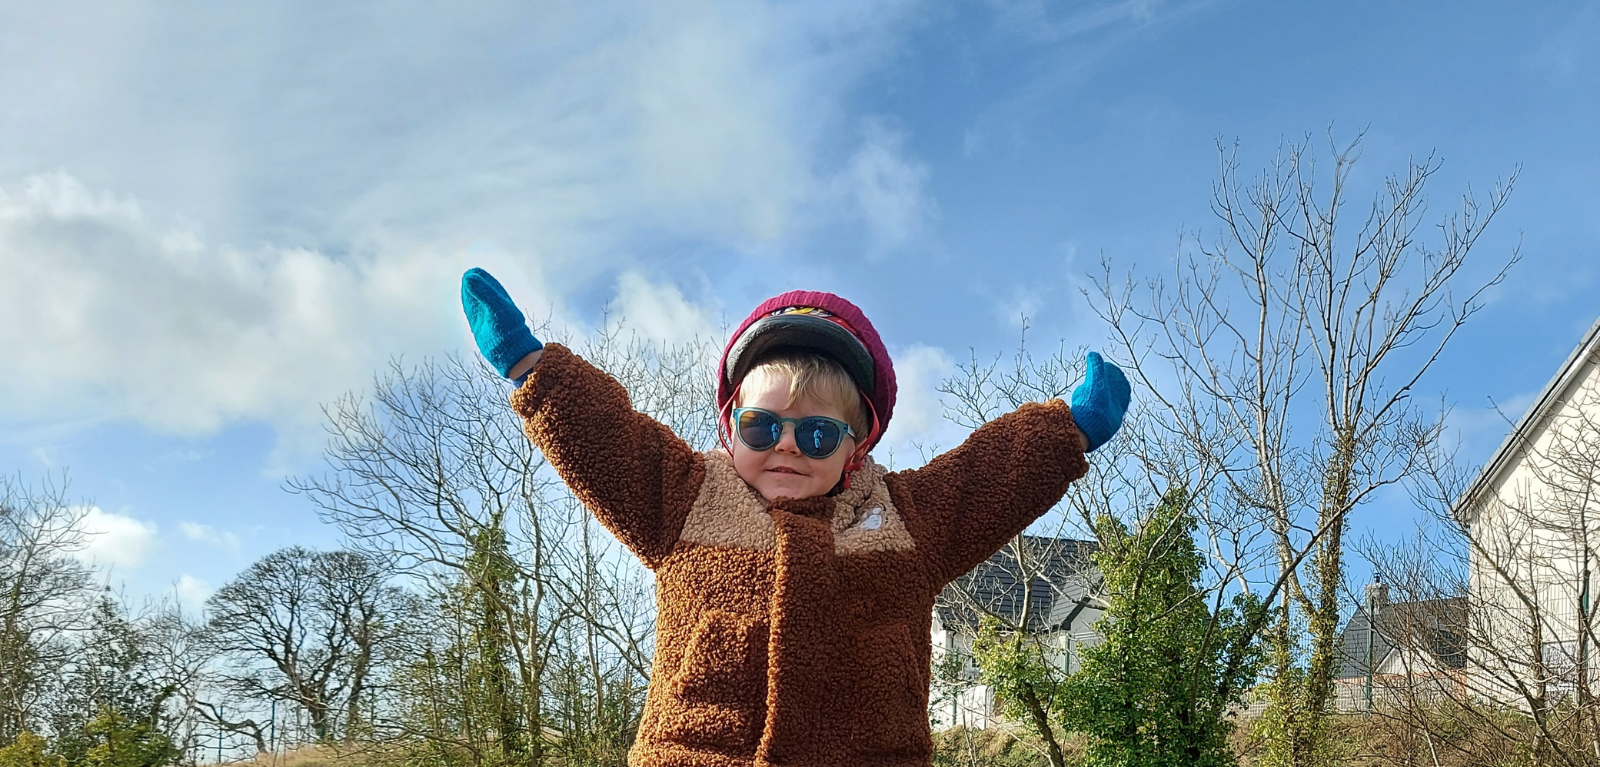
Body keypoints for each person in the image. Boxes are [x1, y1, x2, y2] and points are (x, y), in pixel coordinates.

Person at [461, 268, 1129, 767]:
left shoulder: (902, 517)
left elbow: (985, 478)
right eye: (761, 427)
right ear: (730, 430)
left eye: (814, 435)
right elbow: (607, 439)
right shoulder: (686, 497)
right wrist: (530, 366)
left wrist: (1066, 429)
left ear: (855, 442)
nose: (785, 444)